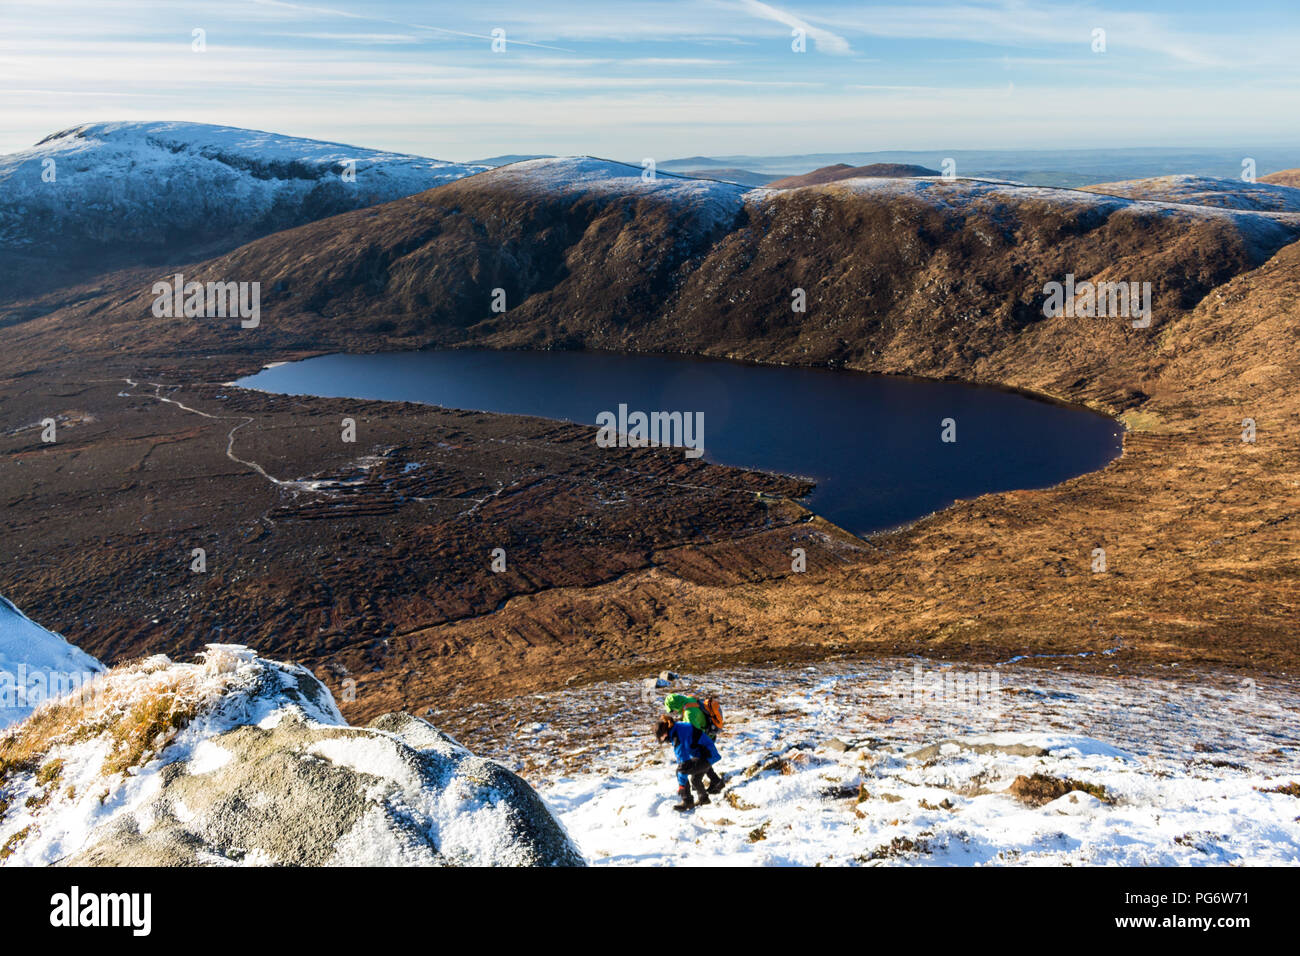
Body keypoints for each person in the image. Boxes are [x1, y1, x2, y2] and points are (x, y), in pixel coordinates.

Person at [655, 714, 723, 812]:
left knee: (680, 771)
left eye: (660, 738)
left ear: (664, 733)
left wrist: (682, 786)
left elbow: (683, 764)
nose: (662, 741)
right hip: (706, 753)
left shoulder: (677, 736)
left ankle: (687, 801)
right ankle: (704, 799)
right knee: (695, 779)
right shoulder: (677, 727)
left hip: (706, 755)